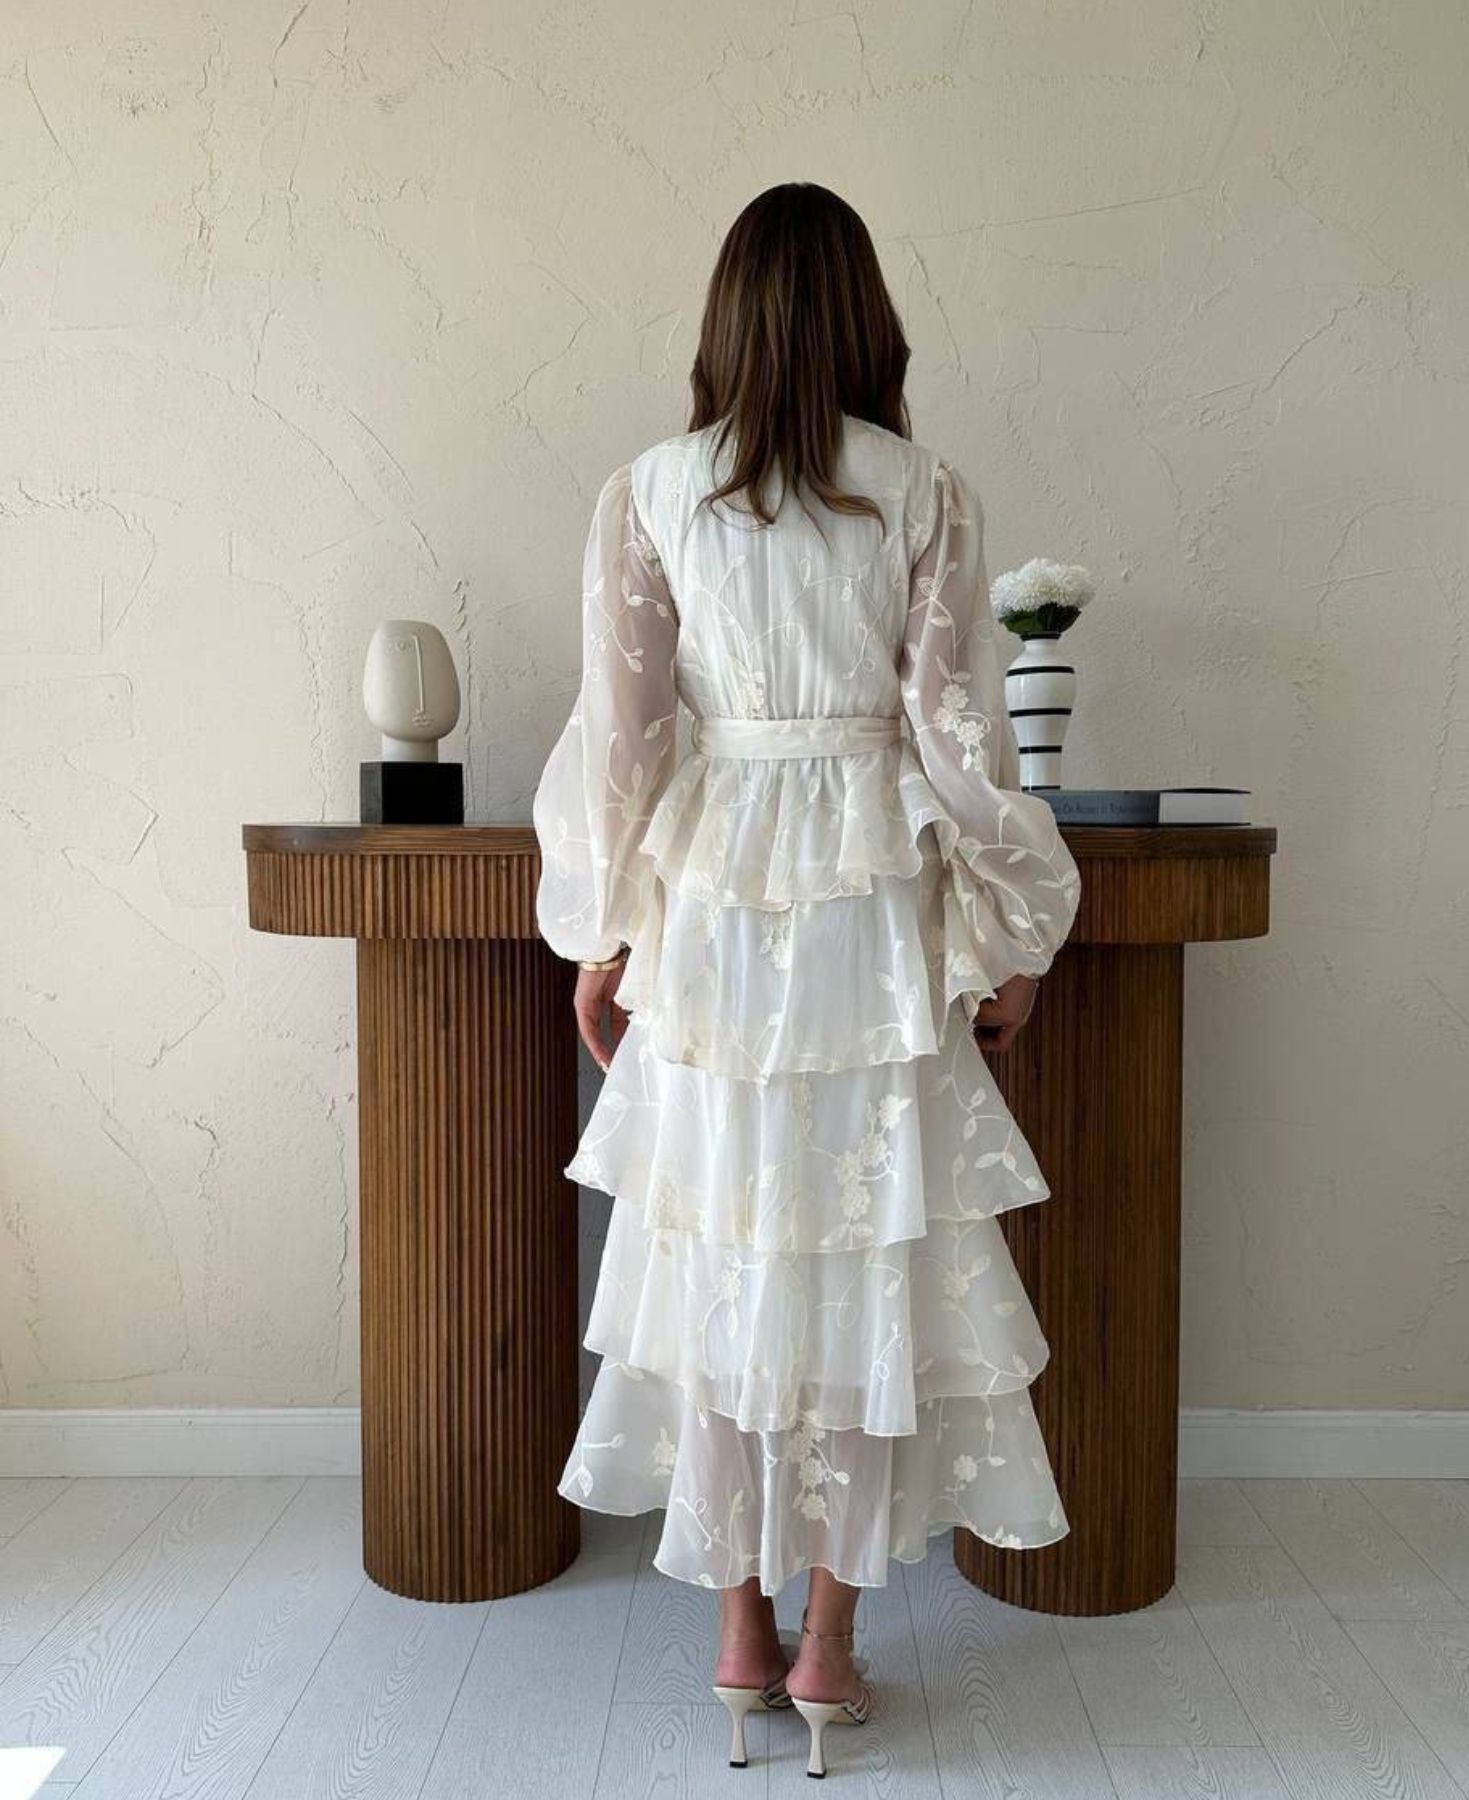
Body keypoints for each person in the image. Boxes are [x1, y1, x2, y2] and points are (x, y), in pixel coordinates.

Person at [532, 181, 1082, 1779]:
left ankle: (738, 1635)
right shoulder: (924, 492)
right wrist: (1014, 926)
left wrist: (605, 933)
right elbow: (957, 737)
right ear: (867, 317)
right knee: (860, 1260)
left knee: (723, 1252)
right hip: (868, 914)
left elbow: (623, 737)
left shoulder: (649, 493)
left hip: (713, 908)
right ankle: (831, 1649)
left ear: (726, 319)